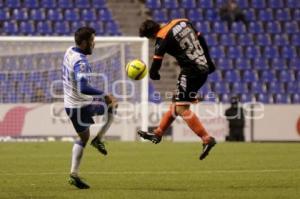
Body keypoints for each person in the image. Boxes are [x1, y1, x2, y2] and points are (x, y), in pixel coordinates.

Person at [138, 19, 217, 160]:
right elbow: (201, 38)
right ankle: (158, 133)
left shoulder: (162, 37)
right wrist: (209, 61)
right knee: (176, 103)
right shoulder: (182, 21)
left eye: (149, 38)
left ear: (151, 35)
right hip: (202, 68)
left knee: (181, 108)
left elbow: (156, 63)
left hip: (190, 71)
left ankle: (206, 138)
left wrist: (153, 74)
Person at [62, 27, 117, 189]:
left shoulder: (69, 51)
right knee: (113, 104)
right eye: (92, 41)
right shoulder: (80, 61)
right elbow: (83, 87)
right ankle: (99, 139)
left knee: (83, 138)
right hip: (82, 105)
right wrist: (104, 95)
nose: (94, 44)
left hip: (70, 105)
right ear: (85, 42)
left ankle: (73, 174)